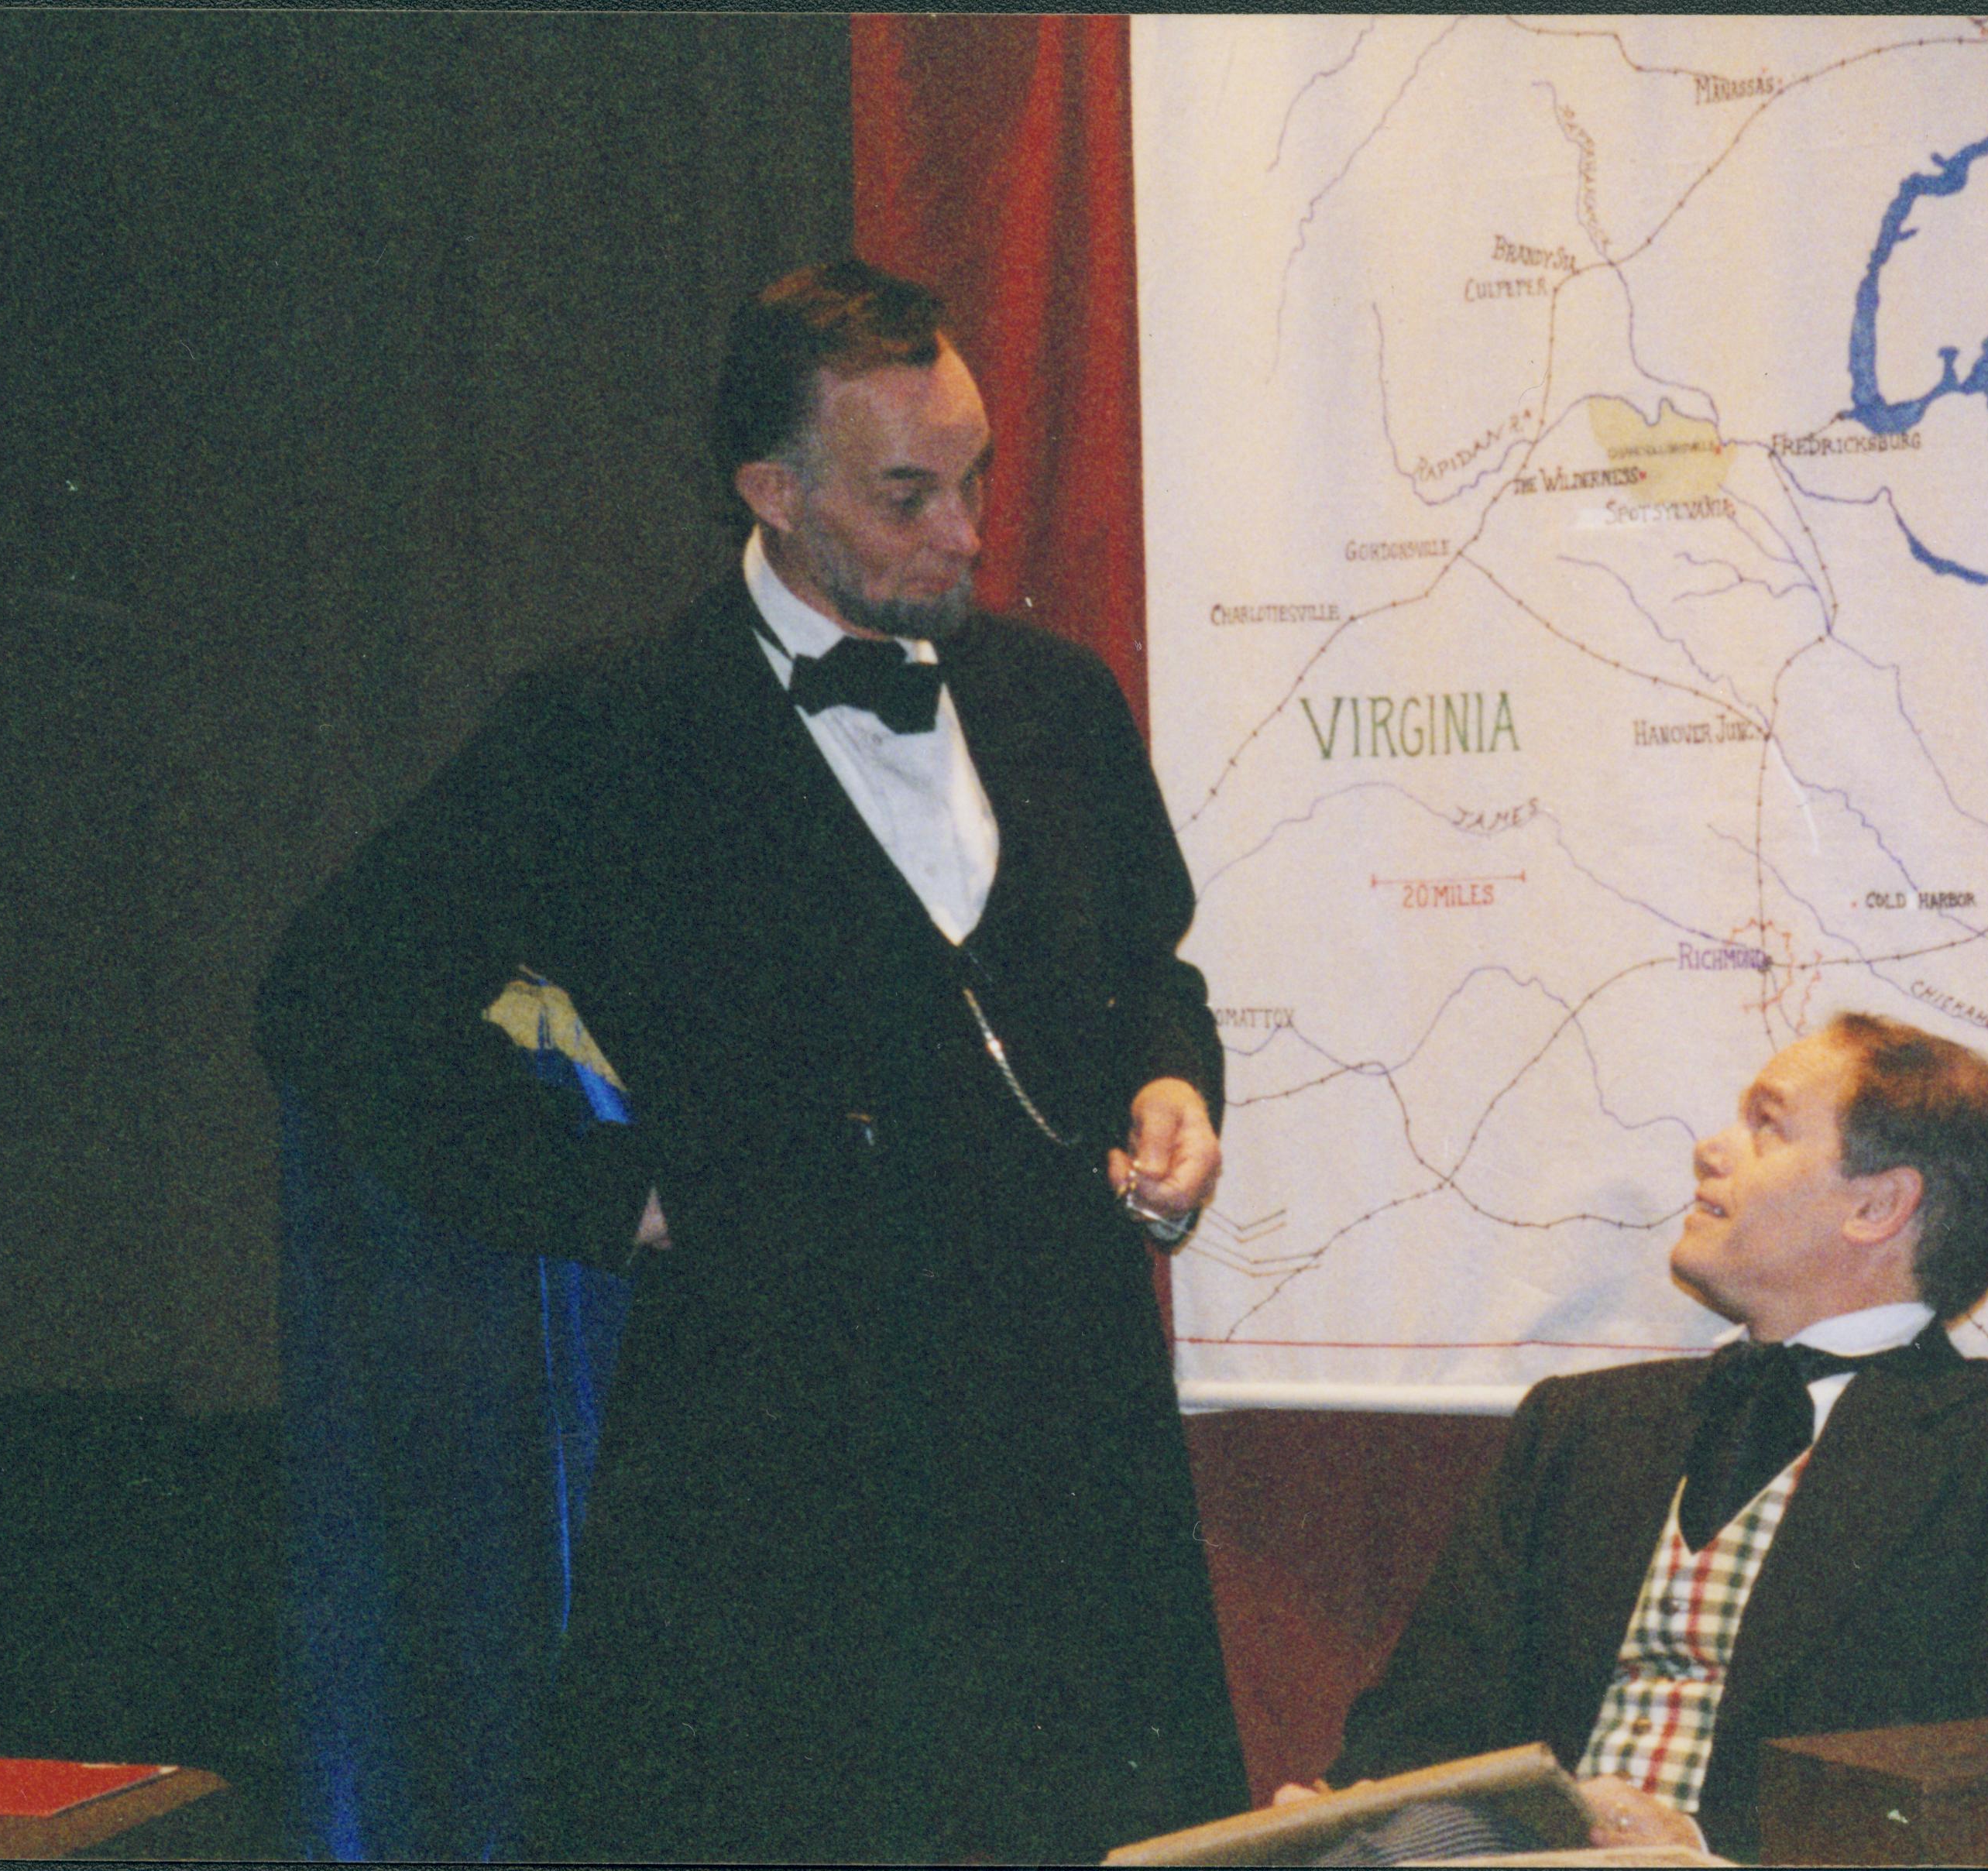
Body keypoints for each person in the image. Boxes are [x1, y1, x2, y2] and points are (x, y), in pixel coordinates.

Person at [256, 258, 1246, 1862]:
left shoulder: (1056, 699)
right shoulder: (611, 728)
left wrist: (1173, 1085)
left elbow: (1147, 974)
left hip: (1069, 1446)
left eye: (976, 479)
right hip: (781, 1466)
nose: (969, 535)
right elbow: (332, 995)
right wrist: (610, 1192)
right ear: (769, 489)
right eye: (909, 493)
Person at [1314, 1011, 1988, 1859]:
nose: (1712, 1148)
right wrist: (1339, 1810)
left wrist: (1711, 1842)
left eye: (1767, 1125)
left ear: (1876, 1205)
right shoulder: (1576, 1425)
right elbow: (1422, 1715)